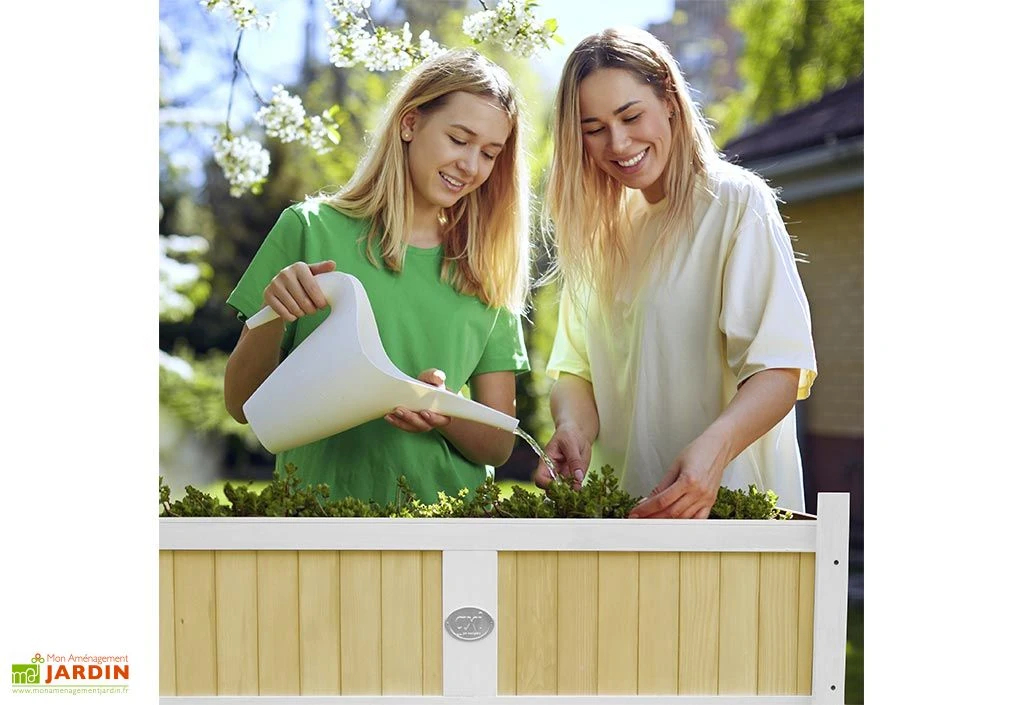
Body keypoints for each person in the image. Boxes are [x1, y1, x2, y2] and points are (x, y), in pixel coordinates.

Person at [224, 49, 532, 505]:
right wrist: (270, 316)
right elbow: (242, 406)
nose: (471, 166)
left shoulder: (487, 265)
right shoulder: (309, 230)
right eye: (458, 139)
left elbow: (499, 443)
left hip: (449, 526)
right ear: (409, 124)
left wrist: (443, 411)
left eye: (489, 153)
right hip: (319, 518)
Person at [537, 27, 817, 517]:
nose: (618, 142)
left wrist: (713, 453)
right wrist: (573, 429)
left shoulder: (736, 203)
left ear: (668, 98)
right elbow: (576, 369)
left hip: (730, 510)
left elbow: (779, 368)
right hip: (627, 515)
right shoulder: (598, 231)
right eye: (594, 128)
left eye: (630, 116)